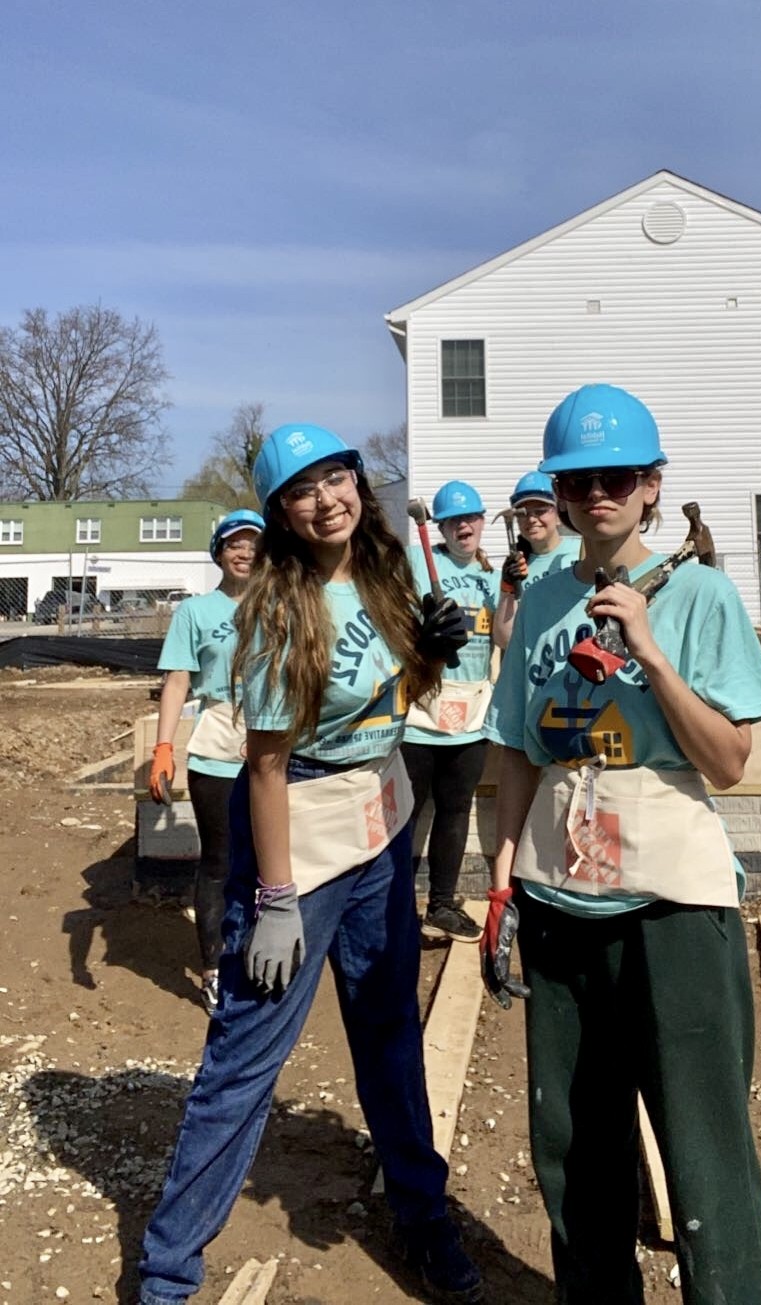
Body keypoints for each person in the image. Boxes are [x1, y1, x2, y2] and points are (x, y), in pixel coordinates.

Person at [138, 424, 482, 1305]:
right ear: (281, 516)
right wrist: (279, 898)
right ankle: (168, 1274)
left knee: (390, 1034)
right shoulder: (277, 610)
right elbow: (265, 766)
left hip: (380, 827)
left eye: (339, 477)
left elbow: (394, 698)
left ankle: (421, 1213)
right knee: (246, 1056)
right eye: (303, 489)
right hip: (300, 833)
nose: (328, 498)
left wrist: (434, 647)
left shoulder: (386, 573)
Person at [481, 383, 761, 1304]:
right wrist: (500, 892)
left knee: (703, 1150)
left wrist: (650, 652)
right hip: (557, 900)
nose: (597, 494)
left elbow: (729, 759)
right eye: (578, 480)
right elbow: (516, 756)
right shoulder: (538, 601)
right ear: (559, 496)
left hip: (672, 909)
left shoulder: (699, 594)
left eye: (618, 477)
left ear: (653, 487)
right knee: (573, 1147)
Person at [149, 507, 264, 1015]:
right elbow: (177, 680)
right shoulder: (195, 612)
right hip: (218, 743)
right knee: (220, 858)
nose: (245, 553)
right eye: (235, 544)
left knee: (270, 857)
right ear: (219, 553)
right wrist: (163, 747)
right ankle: (214, 967)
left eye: (254, 544)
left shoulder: (282, 604)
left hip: (273, 741)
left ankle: (261, 955)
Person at [402, 480, 499, 943]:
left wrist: (513, 590)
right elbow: (395, 622)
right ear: (438, 526)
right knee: (407, 812)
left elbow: (504, 634)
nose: (465, 525)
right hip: (422, 710)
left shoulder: (490, 576)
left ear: (482, 522)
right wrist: (422, 631)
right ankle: (395, 909)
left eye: (472, 518)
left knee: (456, 809)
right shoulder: (421, 564)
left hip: (472, 710)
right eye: (454, 520)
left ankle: (441, 904)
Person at [493, 470, 580, 649]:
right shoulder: (517, 568)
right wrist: (508, 587)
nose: (531, 519)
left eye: (540, 511)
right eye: (523, 513)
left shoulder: (581, 552)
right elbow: (504, 640)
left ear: (558, 515)